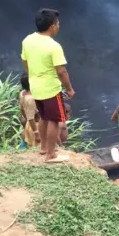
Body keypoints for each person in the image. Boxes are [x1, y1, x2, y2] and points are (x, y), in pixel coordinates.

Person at [21, 8, 75, 163]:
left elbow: (25, 62)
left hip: (35, 87)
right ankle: (51, 154)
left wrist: (33, 77)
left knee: (44, 116)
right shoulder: (54, 46)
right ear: (52, 26)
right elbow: (61, 71)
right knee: (54, 120)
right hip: (51, 88)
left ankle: (44, 147)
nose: (58, 26)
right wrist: (69, 89)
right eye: (57, 23)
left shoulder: (27, 40)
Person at [19, 73, 40, 148]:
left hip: (30, 124)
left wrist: (27, 119)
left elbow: (21, 109)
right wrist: (36, 133)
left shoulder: (22, 93)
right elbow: (31, 118)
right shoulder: (31, 99)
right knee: (38, 147)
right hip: (36, 126)